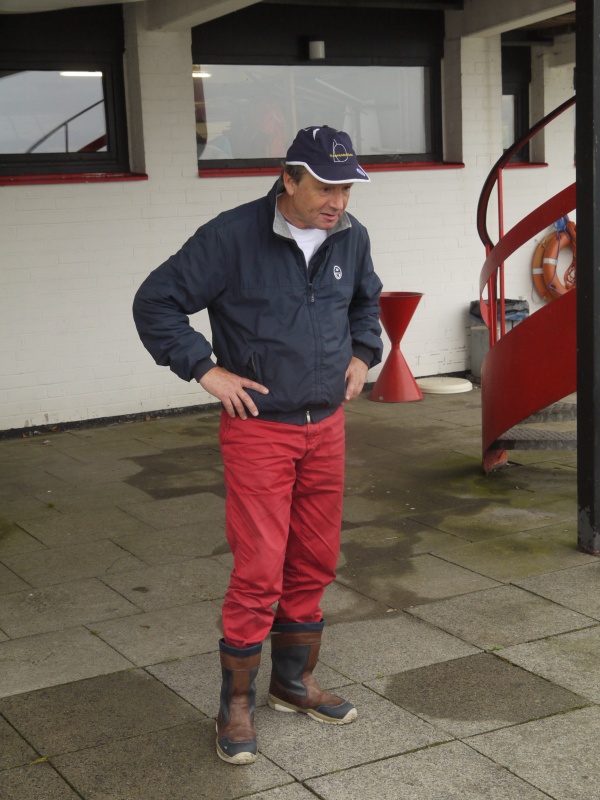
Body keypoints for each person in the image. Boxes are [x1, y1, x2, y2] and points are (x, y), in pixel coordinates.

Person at [132, 125, 383, 765]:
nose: (337, 203)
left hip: (326, 425)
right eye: (324, 188)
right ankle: (236, 703)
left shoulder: (350, 237)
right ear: (288, 179)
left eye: (347, 190)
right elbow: (155, 302)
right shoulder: (231, 237)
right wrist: (205, 369)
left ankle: (292, 683)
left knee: (315, 558)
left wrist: (363, 353)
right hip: (260, 430)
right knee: (259, 569)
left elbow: (365, 302)